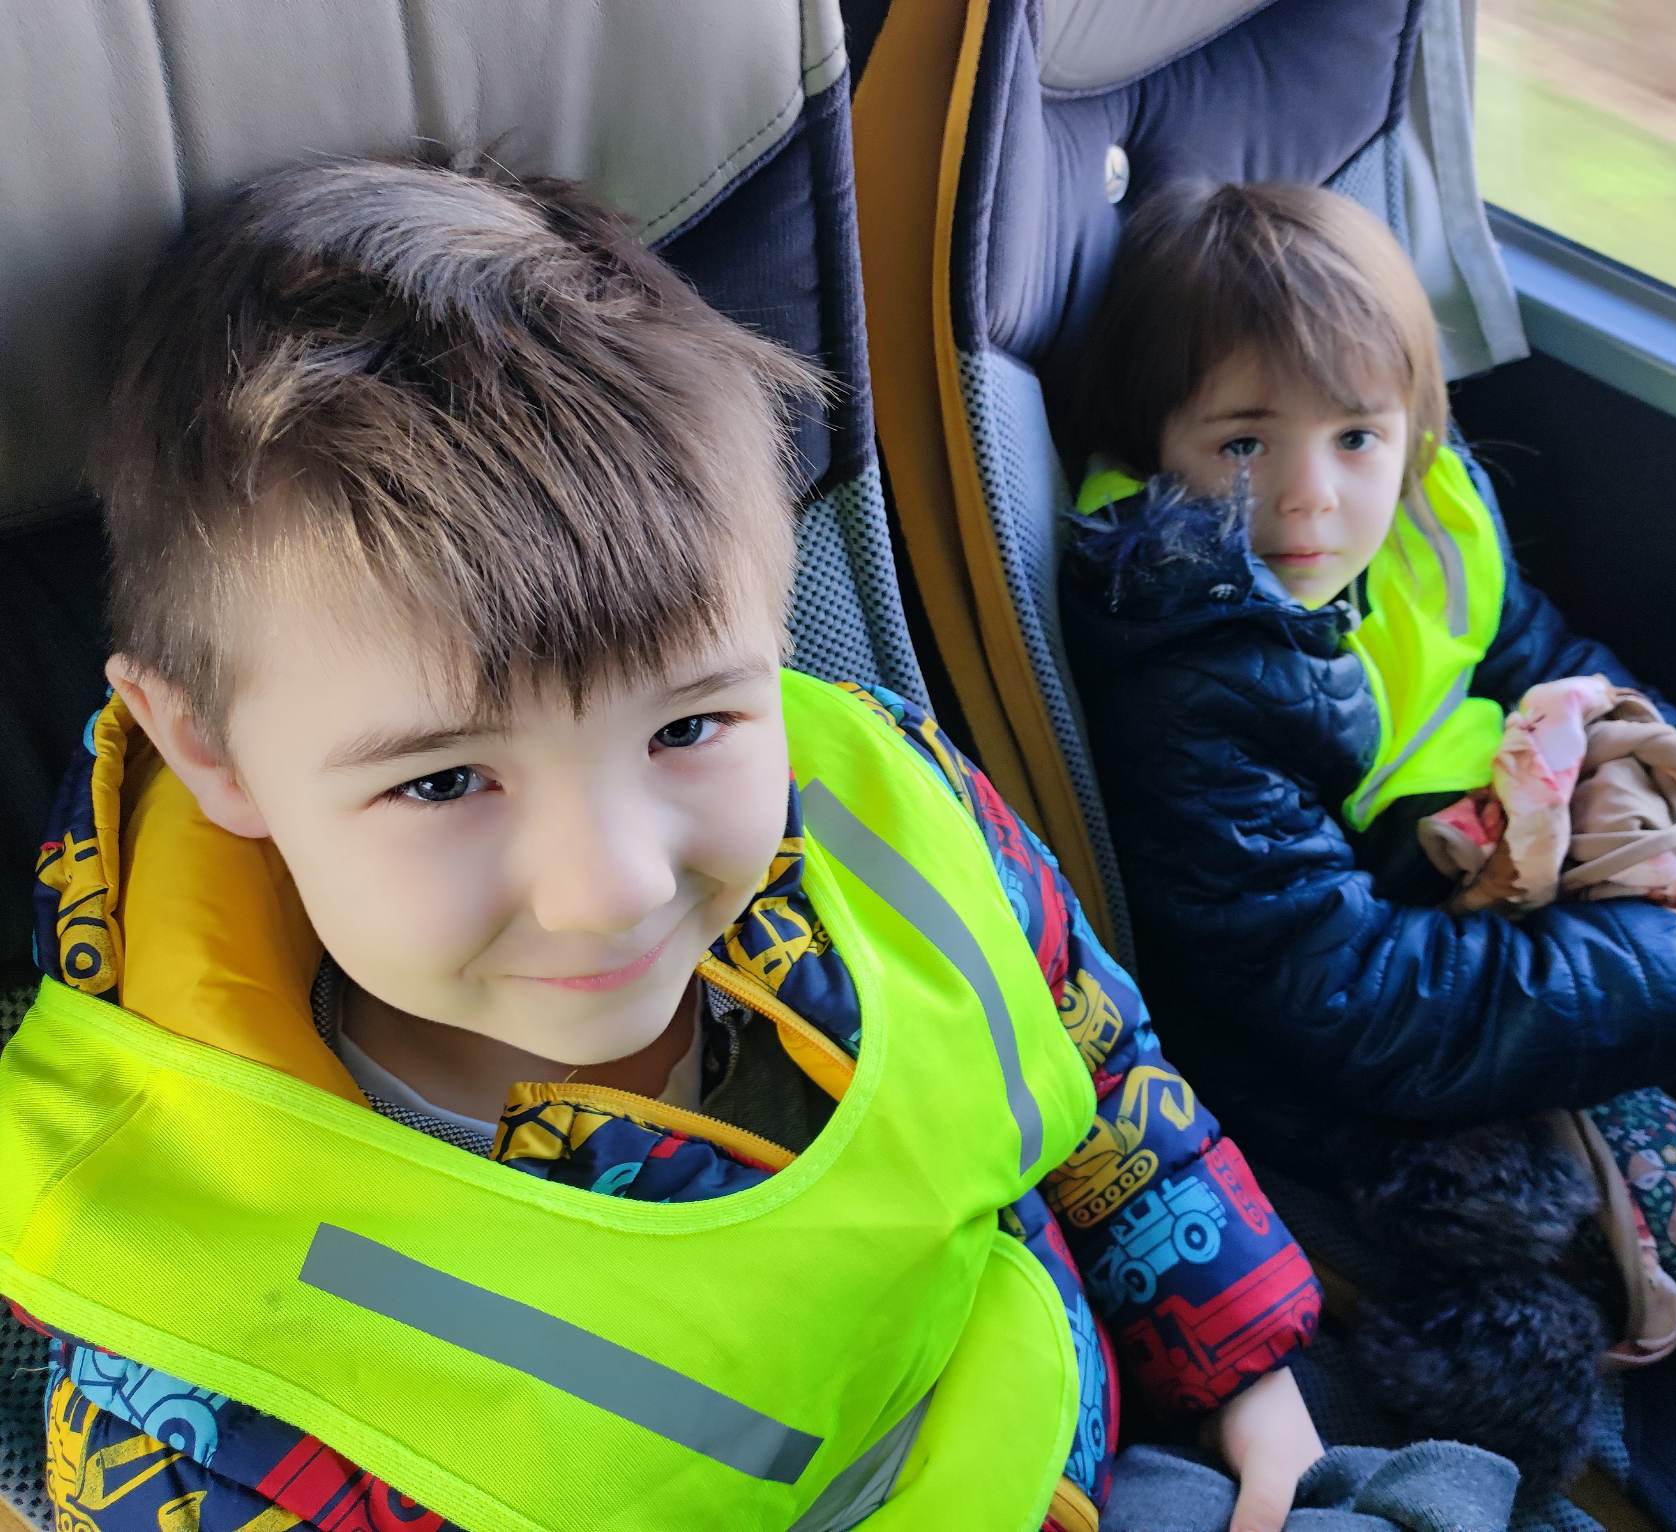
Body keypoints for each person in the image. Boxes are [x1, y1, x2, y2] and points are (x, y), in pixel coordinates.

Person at [2, 156, 1332, 1532]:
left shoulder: (882, 802)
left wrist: (1240, 1362)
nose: (616, 887)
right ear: (206, 749)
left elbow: (1091, 1061)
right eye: (446, 780)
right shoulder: (195, 1355)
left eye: (690, 726)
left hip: (1080, 1437)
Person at [1058, 180, 1676, 1532]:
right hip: (1438, 1051)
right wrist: (1647, 959)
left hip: (1564, 926)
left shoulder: (1421, 523)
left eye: (1355, 436)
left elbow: (1543, 657)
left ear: (1412, 426)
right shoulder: (1189, 668)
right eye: (1243, 444)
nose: (1311, 498)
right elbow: (1343, 993)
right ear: (1156, 445)